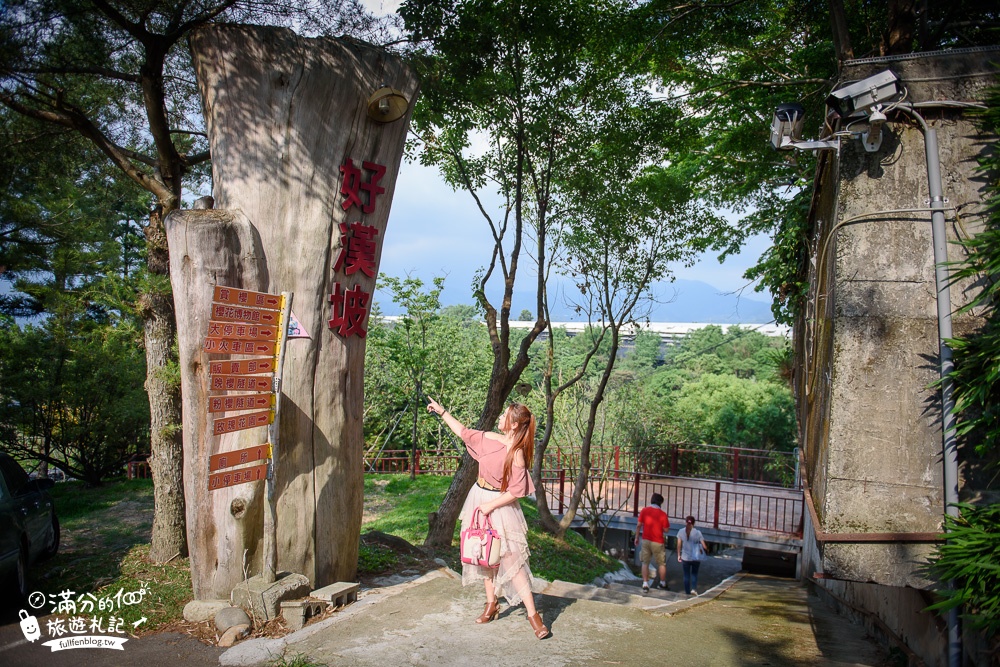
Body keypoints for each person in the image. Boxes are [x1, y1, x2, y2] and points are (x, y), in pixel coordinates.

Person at [426, 397, 550, 639]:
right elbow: (462, 431)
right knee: (484, 555)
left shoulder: (517, 454)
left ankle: (533, 615)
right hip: (478, 498)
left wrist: (490, 506)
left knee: (512, 561)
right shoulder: (490, 438)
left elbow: (516, 491)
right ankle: (491, 604)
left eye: (505, 416)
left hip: (500, 506)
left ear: (514, 425)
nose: (500, 418)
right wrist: (442, 412)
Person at [634, 492, 670, 592]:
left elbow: (638, 525)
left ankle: (645, 584)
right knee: (662, 564)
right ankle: (662, 583)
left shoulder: (644, 510)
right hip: (658, 541)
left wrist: (637, 537)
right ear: (660, 503)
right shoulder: (662, 514)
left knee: (645, 562)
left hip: (646, 540)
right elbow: (666, 530)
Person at [676, 515, 709, 595]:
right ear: (694, 523)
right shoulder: (698, 533)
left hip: (685, 558)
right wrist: (707, 550)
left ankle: (687, 592)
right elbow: (704, 546)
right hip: (696, 557)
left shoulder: (681, 531)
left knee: (686, 575)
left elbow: (679, 545)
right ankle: (693, 589)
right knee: (694, 574)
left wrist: (678, 555)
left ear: (686, 522)